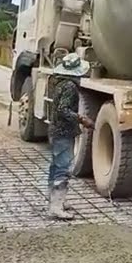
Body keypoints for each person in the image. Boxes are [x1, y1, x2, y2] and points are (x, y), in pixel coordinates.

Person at [45, 54, 94, 219]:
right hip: (63, 133)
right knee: (63, 168)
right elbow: (63, 110)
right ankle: (56, 206)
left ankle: (54, 199)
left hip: (55, 131)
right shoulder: (70, 87)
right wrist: (82, 119)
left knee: (55, 166)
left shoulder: (59, 83)